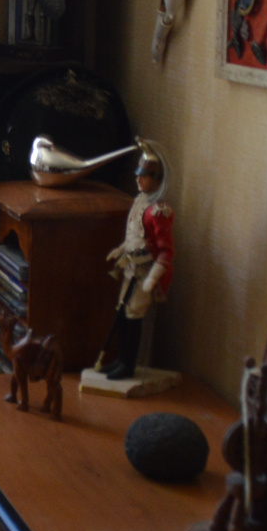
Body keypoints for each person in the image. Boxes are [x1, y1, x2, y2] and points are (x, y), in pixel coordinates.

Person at [100, 139, 174, 380]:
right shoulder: (139, 202)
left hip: (144, 273)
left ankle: (128, 364)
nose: (139, 179)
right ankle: (120, 359)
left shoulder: (158, 211)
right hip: (129, 268)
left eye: (145, 175)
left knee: (133, 317)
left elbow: (166, 251)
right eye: (138, 173)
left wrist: (153, 278)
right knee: (122, 314)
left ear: (156, 179)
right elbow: (133, 237)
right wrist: (120, 249)